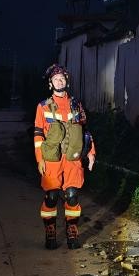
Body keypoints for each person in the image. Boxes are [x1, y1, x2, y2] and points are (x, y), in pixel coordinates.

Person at [34, 64, 96, 249]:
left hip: (72, 159)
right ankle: (50, 232)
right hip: (52, 159)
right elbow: (38, 135)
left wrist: (91, 153)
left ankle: (72, 232)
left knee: (72, 196)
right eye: (55, 79)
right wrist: (40, 159)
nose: (59, 81)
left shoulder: (76, 105)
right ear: (50, 83)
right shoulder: (43, 106)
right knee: (52, 197)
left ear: (66, 81)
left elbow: (85, 131)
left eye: (62, 78)